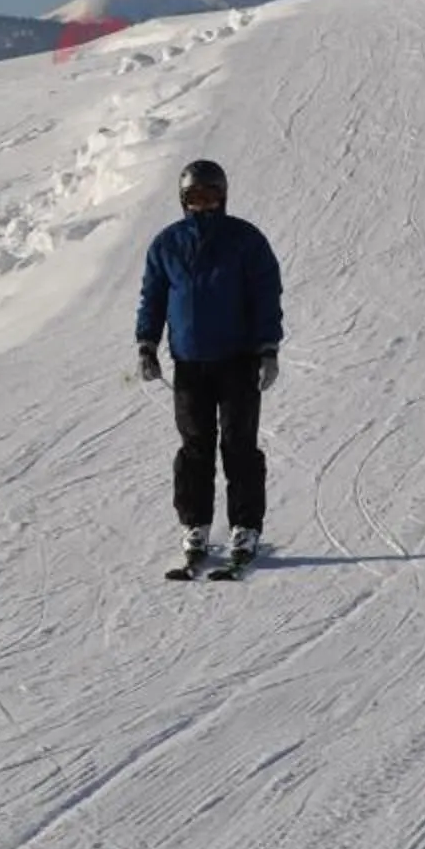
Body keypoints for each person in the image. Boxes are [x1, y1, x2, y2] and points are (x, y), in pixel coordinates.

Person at [134, 158, 285, 571]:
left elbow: (266, 296)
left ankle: (246, 526)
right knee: (195, 447)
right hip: (189, 364)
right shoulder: (167, 244)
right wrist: (147, 344)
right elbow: (153, 297)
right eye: (195, 198)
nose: (203, 205)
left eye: (210, 197)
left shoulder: (246, 240)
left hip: (238, 360)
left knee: (239, 445)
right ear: (184, 201)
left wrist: (268, 349)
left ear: (223, 197)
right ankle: (195, 523)